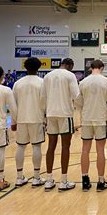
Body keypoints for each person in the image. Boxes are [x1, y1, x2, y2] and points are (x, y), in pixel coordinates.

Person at [40, 58, 80, 192]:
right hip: (65, 114)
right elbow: (76, 95)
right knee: (65, 146)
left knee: (50, 146)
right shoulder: (70, 75)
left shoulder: (47, 76)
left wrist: (45, 113)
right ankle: (63, 181)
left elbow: (42, 97)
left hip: (51, 114)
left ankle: (49, 179)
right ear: (70, 65)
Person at [75, 59, 107, 192]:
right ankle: (101, 181)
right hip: (100, 119)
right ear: (102, 67)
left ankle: (85, 180)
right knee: (100, 150)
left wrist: (85, 109)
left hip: (87, 119)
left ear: (91, 68)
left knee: (85, 149)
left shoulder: (83, 82)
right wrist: (106, 112)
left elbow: (78, 100)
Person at [11, 57, 46, 188]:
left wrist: (14, 121)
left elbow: (13, 105)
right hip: (36, 118)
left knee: (20, 147)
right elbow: (44, 102)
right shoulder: (42, 82)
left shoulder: (17, 83)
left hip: (21, 119)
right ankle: (36, 177)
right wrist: (45, 118)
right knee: (36, 146)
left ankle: (19, 177)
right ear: (39, 67)